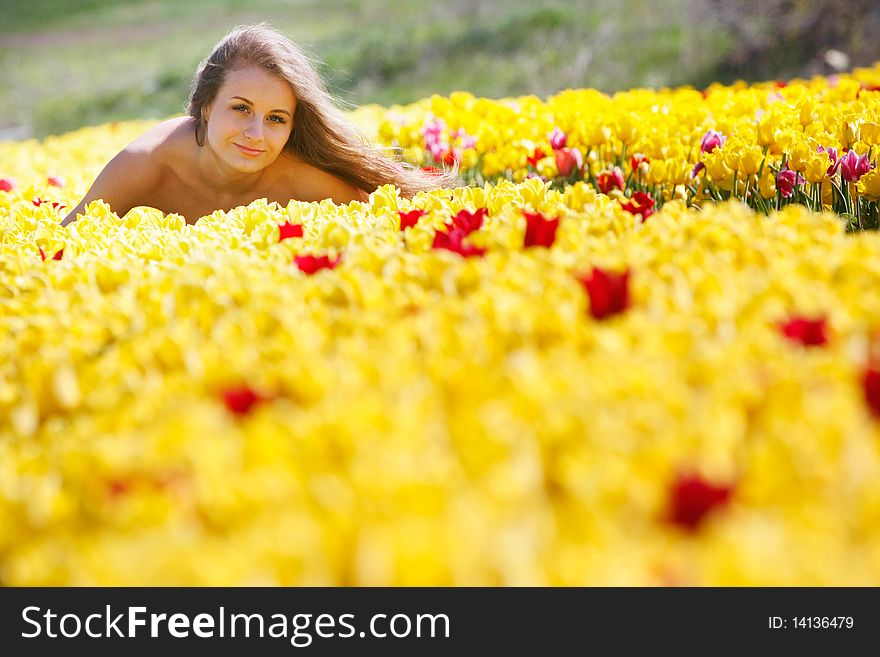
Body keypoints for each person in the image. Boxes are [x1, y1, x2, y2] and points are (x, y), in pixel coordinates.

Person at [61, 24, 453, 227]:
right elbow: (63, 243)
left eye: (276, 119)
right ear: (206, 107)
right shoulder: (147, 162)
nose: (256, 135)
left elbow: (397, 221)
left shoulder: (302, 179)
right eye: (241, 108)